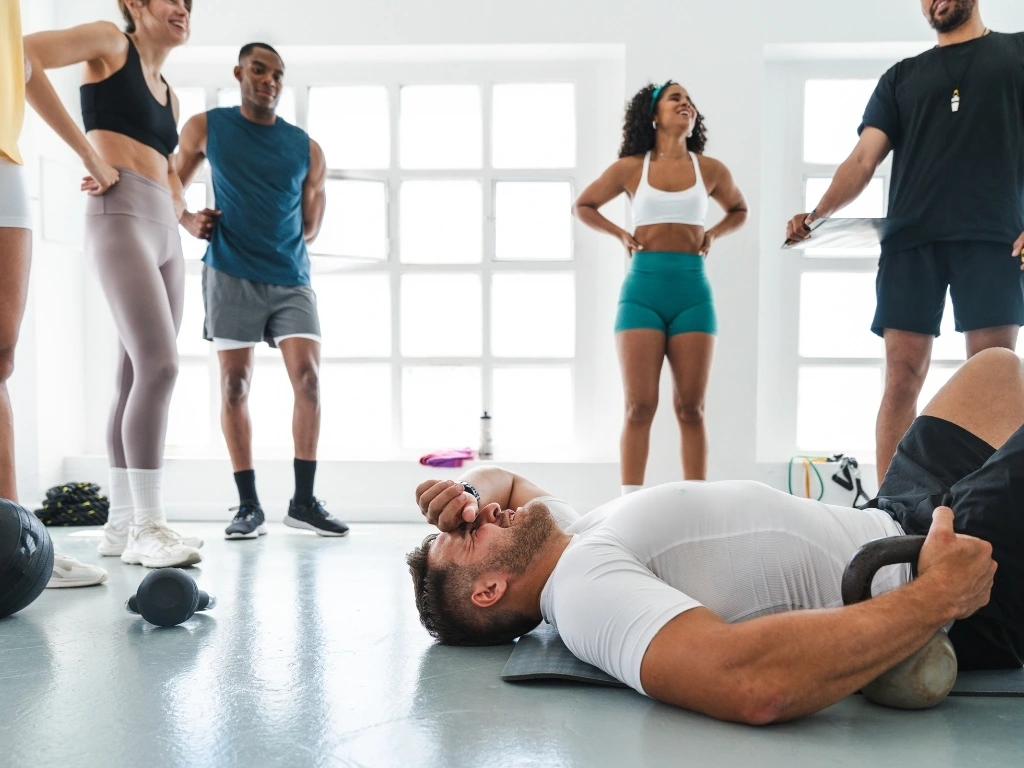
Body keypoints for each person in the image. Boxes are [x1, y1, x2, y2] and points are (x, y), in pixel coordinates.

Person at [406, 347, 1023, 724]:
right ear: (488, 590)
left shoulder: (570, 535)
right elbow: (750, 684)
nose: (478, 514)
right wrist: (939, 596)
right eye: (466, 534)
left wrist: (463, 490)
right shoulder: (583, 592)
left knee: (995, 373)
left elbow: (504, 482)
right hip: (928, 565)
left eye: (470, 511)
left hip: (898, 512)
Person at [785, 0, 1024, 484]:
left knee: (993, 375)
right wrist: (816, 214)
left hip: (994, 237)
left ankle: (994, 509)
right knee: (901, 377)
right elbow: (862, 161)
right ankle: (891, 509)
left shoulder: (1016, 54)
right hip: (911, 243)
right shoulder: (901, 78)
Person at [24, 0, 203, 568]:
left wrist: (184, 215)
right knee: (161, 367)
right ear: (134, 4)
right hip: (119, 213)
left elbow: (168, 165)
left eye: (189, 3)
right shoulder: (109, 43)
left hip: (164, 233)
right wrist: (87, 155)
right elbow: (22, 56)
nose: (182, 8)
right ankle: (151, 526)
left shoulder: (169, 92)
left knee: (133, 377)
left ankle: (121, 525)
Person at [176, 43, 347, 539]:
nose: (269, 80)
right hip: (230, 273)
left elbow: (311, 224)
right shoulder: (208, 127)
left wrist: (280, 229)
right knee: (234, 386)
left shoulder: (305, 148)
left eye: (277, 74)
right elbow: (170, 182)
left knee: (309, 381)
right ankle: (247, 505)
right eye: (259, 69)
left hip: (291, 276)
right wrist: (189, 218)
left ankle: (303, 500)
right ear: (239, 73)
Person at [573, 81, 747, 491]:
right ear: (654, 114)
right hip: (642, 292)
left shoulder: (712, 169)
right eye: (676, 98)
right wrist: (619, 233)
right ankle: (627, 504)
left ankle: (695, 501)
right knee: (638, 407)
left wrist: (715, 233)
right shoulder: (633, 166)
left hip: (692, 293)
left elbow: (739, 209)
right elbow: (584, 204)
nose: (686, 104)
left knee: (691, 408)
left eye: (690, 100)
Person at [2, 0, 106, 588]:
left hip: (5, 156)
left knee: (1, 355)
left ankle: (14, 542)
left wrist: (88, 153)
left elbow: (19, 64)